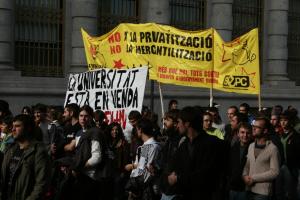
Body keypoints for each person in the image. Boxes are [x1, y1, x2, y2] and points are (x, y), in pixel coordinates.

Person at [167, 106, 225, 200]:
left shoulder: (212, 144)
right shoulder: (184, 145)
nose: (176, 125)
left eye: (178, 122)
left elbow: (206, 174)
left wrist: (178, 179)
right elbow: (173, 167)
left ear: (187, 124)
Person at [0, 114, 51, 199]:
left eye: (17, 126)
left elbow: (42, 184)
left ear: (28, 128)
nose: (13, 129)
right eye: (13, 126)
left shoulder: (38, 151)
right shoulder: (10, 149)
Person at [243, 117, 280, 200]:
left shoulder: (273, 149)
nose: (253, 129)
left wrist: (253, 178)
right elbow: (247, 165)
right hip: (248, 189)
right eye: (253, 126)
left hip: (263, 192)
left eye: (257, 127)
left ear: (265, 130)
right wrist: (244, 175)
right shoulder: (251, 146)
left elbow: (275, 172)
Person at [125, 119, 161, 200]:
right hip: (139, 189)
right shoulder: (143, 147)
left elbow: (148, 170)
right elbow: (140, 168)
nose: (136, 131)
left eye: (137, 129)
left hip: (148, 190)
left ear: (140, 129)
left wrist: (135, 187)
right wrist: (132, 188)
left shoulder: (154, 147)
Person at [159, 109, 182, 200]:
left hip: (175, 190)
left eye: (167, 120)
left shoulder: (181, 140)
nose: (164, 122)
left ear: (176, 123)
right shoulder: (170, 139)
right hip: (166, 188)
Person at [228, 122, 252, 200]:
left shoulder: (253, 148)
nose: (245, 135)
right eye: (242, 132)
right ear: (238, 134)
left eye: (248, 133)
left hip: (246, 188)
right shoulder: (233, 148)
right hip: (232, 187)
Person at [106, 122, 131, 200]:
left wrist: (123, 172)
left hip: (119, 173)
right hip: (108, 173)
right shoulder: (107, 143)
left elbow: (126, 160)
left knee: (117, 195)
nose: (114, 131)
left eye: (116, 130)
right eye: (112, 130)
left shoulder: (124, 143)